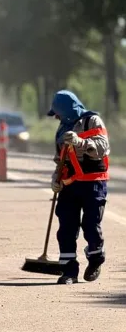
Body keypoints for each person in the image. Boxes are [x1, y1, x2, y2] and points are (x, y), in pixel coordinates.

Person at [48, 90, 109, 285]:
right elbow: (60, 159)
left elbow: (103, 146)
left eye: (57, 112)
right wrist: (55, 179)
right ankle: (68, 272)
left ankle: (96, 259)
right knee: (66, 228)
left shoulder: (92, 121)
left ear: (67, 109)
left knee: (91, 226)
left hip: (93, 184)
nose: (56, 116)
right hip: (70, 185)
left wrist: (81, 142)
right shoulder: (62, 128)